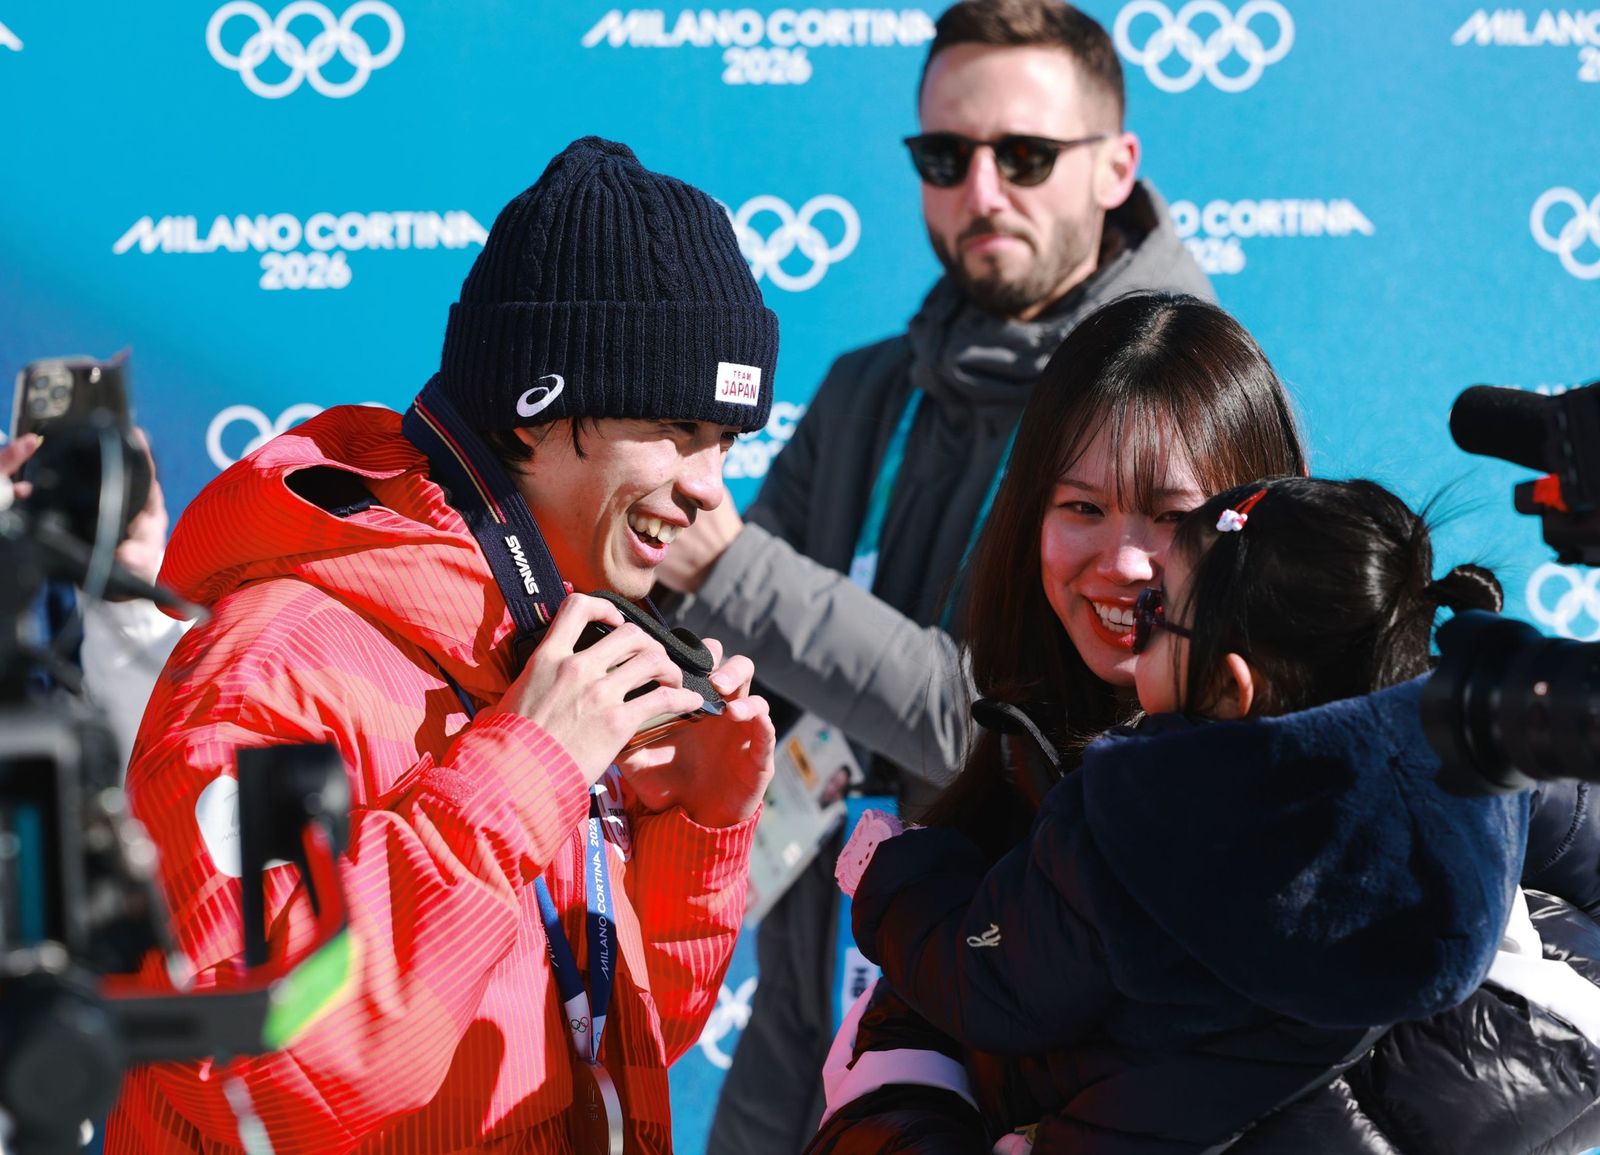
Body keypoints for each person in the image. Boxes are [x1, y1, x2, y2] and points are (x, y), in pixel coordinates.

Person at [106, 137, 779, 1153]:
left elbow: (592, 1059)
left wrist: (690, 831)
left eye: (725, 442)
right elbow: (263, 1073)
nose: (707, 487)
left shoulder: (542, 652)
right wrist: (514, 781)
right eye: (677, 427)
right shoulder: (274, 666)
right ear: (536, 410)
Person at [810, 298, 1600, 1153]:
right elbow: (894, 1080)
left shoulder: (1457, 737)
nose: (1120, 562)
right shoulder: (1001, 820)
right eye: (1080, 507)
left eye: (1174, 519)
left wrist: (1516, 1025)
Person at [657, 3, 1210, 1145]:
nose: (981, 192)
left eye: (1024, 156)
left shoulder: (1191, 409)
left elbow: (1011, 738)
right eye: (944, 158)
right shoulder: (869, 389)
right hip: (814, 1003)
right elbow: (733, 657)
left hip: (1036, 1043)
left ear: (1116, 167)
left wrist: (729, 561)